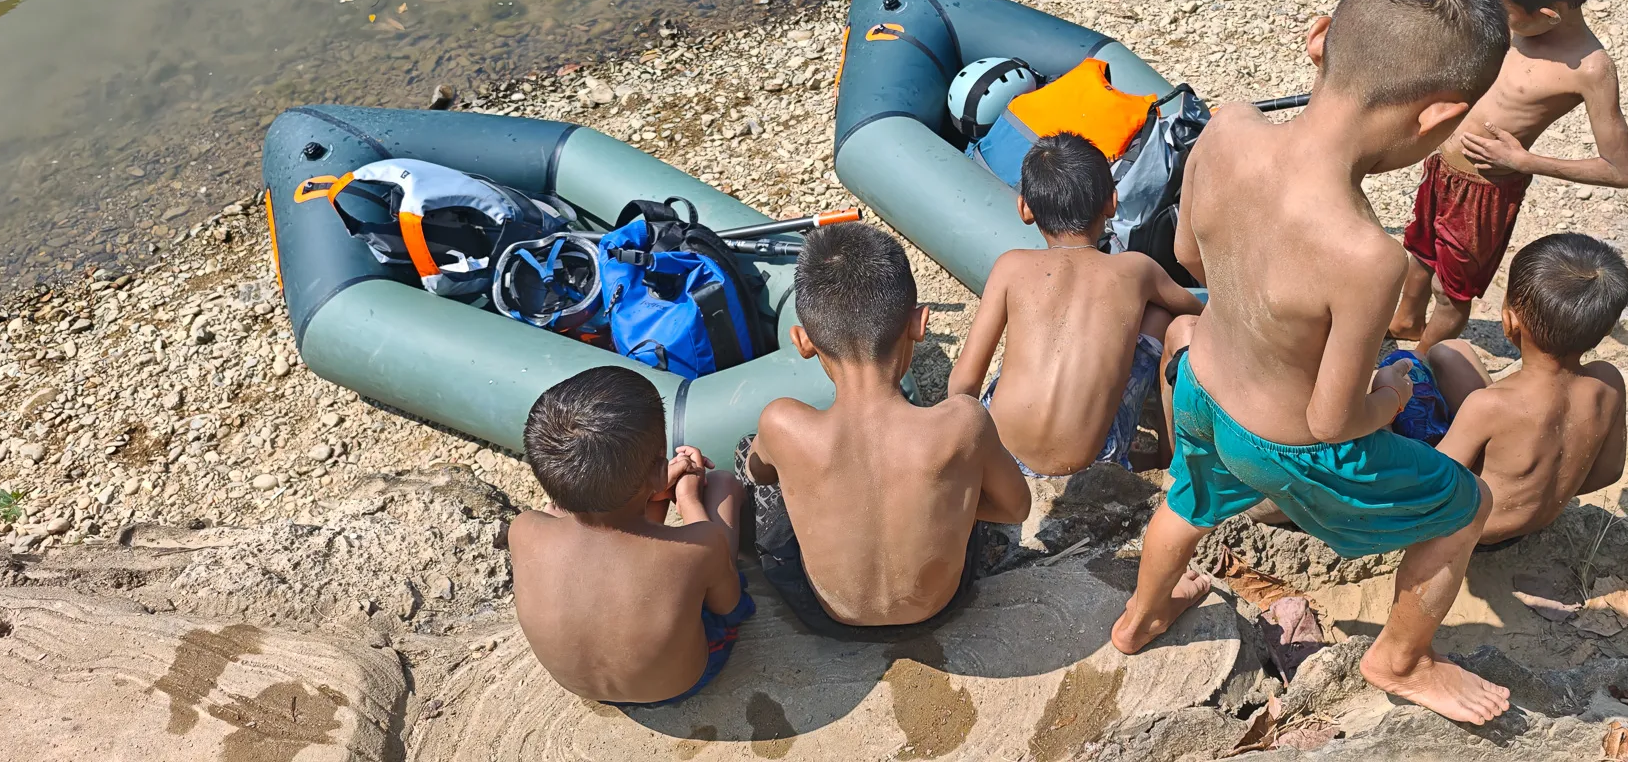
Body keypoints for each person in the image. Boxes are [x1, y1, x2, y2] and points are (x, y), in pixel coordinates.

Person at [1111, 0, 1514, 726]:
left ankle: (1138, 620)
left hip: (1200, 386)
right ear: (1438, 117)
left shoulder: (1227, 130)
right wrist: (1392, 391)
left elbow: (1189, 253)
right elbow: (1333, 419)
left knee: (1189, 501)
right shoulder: (1368, 256)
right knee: (1465, 505)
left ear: (1320, 37)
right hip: (1285, 439)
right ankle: (1399, 659)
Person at [740, 222, 1031, 637]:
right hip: (939, 608)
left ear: (803, 342)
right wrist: (946, 505)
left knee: (748, 451)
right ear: (919, 323)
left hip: (826, 616)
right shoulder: (964, 423)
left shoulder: (782, 423)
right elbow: (1015, 509)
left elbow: (757, 475)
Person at [1390, 0, 1628, 353]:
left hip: (1485, 192)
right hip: (1441, 165)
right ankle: (1405, 323)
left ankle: (1422, 364)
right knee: (1419, 251)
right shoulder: (1512, 22)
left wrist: (1524, 162)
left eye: (1501, 8)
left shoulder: (1589, 69)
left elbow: (1619, 170)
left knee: (1452, 291)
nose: (1491, 12)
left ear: (1546, 15)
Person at [947, 132, 1207, 476]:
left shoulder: (1010, 266)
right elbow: (1198, 310)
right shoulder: (1136, 269)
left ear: (1025, 208)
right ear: (1111, 203)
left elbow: (963, 383)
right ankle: (1165, 458)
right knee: (1161, 318)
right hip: (1092, 466)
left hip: (1000, 456)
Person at [507, 367, 752, 706]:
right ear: (657, 470)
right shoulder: (699, 549)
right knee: (725, 484)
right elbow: (729, 606)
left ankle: (640, 496)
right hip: (680, 683)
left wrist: (651, 483)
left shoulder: (523, 530)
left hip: (583, 687)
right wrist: (688, 499)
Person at [1430, 232, 1628, 545]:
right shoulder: (1609, 384)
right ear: (1606, 330)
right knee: (1449, 352)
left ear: (1509, 322)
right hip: (1538, 520)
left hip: (1472, 532)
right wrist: (1545, 489)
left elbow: (1431, 488)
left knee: (1420, 373)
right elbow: (1609, 472)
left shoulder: (1488, 406)